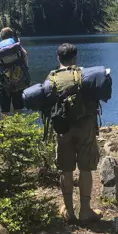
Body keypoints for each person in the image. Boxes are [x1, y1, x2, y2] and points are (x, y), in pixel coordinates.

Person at [47, 43, 102, 224]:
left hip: (63, 128)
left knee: (66, 169)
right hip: (85, 126)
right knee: (85, 168)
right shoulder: (83, 74)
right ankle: (85, 210)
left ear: (58, 58)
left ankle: (69, 211)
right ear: (75, 58)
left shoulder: (52, 78)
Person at [0, 27, 29, 116]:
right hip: (19, 79)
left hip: (4, 81)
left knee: (4, 108)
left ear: (1, 36)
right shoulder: (15, 43)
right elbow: (24, 56)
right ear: (11, 35)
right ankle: (18, 126)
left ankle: (5, 127)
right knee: (18, 107)